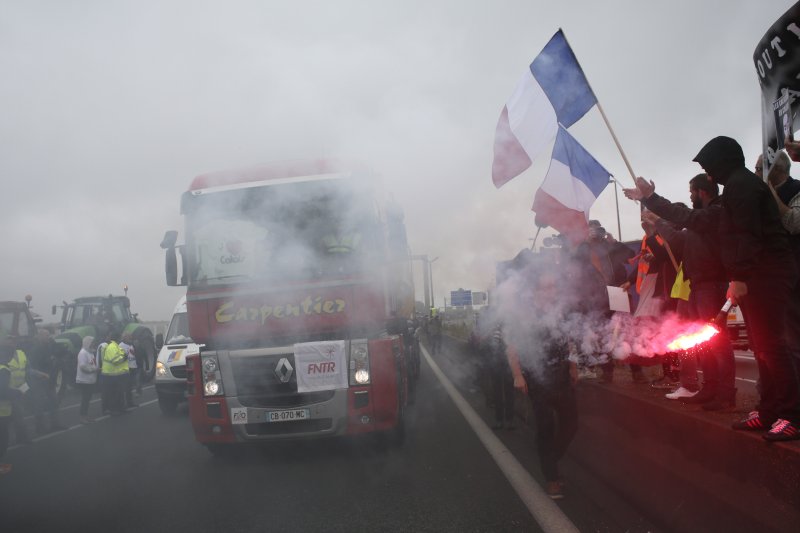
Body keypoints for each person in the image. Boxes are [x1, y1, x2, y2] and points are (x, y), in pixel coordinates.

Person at [624, 136, 800, 441]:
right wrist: (652, 199)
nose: (708, 175)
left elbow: (747, 236)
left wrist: (740, 277)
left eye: (708, 168)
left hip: (767, 275)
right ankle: (770, 410)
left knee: (772, 346)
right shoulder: (735, 188)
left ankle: (793, 415)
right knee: (762, 347)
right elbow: (696, 219)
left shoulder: (743, 186)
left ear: (722, 162)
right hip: (758, 275)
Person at [646, 174, 737, 409]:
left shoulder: (713, 215)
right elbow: (677, 241)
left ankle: (725, 393)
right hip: (697, 286)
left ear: (702, 192)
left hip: (711, 284)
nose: (689, 195)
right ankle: (710, 388)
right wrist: (655, 219)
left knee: (717, 342)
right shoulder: (699, 222)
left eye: (691, 191)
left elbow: (678, 231)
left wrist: (657, 215)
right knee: (703, 342)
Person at [506, 264, 578, 500]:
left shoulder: (560, 311)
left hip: (562, 378)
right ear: (535, 291)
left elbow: (569, 341)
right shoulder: (525, 316)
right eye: (546, 288)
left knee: (571, 425)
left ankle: (550, 461)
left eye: (553, 287)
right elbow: (513, 347)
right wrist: (518, 374)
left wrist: (574, 367)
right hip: (537, 378)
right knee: (546, 429)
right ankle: (551, 479)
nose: (552, 292)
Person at [764, 151, 800, 378]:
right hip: (770, 276)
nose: (757, 173)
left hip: (793, 273)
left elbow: (794, 223)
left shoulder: (796, 190)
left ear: (775, 170)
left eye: (761, 168)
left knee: (792, 336)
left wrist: (770, 195)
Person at [0, 341, 23, 476]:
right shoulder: (4, 370)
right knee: (2, 438)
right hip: (2, 411)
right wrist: (17, 392)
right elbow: (2, 392)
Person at [101, 331, 129, 416]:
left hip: (116, 374)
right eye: (120, 337)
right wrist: (124, 358)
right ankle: (113, 410)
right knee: (113, 394)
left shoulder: (115, 346)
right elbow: (115, 360)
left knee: (118, 393)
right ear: (117, 338)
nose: (121, 338)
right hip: (110, 374)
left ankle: (120, 408)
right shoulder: (112, 347)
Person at [75, 336, 98, 424]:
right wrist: (95, 369)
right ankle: (82, 417)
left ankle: (85, 416)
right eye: (91, 342)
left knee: (87, 399)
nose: (93, 344)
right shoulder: (83, 353)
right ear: (87, 343)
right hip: (84, 380)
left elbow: (91, 364)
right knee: (85, 399)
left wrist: (95, 368)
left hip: (90, 379)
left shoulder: (90, 352)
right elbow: (83, 367)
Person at [119, 333, 138, 408]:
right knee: (126, 387)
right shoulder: (121, 345)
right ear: (124, 338)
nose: (131, 338)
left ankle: (130, 403)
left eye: (131, 337)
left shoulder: (131, 345)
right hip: (127, 368)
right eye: (129, 337)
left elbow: (133, 355)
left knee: (130, 387)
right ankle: (126, 404)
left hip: (133, 367)